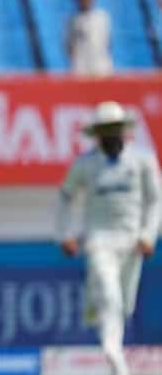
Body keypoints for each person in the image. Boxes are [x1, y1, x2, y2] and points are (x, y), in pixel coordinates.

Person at [57, 101, 161, 375]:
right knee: (110, 292)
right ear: (97, 135)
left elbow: (155, 200)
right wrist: (65, 233)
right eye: (105, 131)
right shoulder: (85, 165)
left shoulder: (143, 160)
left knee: (123, 304)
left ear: (124, 132)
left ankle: (105, 330)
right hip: (98, 240)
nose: (110, 137)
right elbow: (65, 197)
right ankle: (112, 352)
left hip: (132, 243)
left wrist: (149, 234)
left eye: (115, 131)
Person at [66, 0, 113, 77]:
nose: (86, 1)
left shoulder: (102, 17)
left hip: (100, 64)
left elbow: (108, 41)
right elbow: (68, 44)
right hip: (81, 66)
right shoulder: (72, 19)